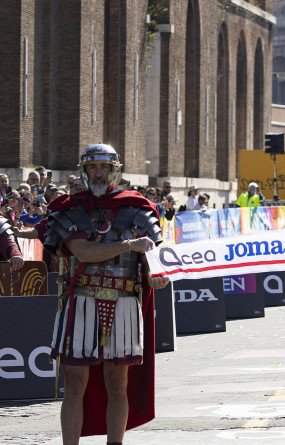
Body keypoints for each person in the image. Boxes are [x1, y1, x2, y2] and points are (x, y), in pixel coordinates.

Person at [44, 143, 169, 444]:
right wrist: (128, 245)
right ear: (84, 172)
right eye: (92, 168)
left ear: (114, 171)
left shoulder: (138, 208)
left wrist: (155, 276)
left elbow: (152, 256)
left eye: (104, 168)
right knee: (74, 384)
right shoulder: (68, 208)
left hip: (124, 302)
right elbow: (83, 250)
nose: (98, 173)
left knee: (117, 385)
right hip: (81, 302)